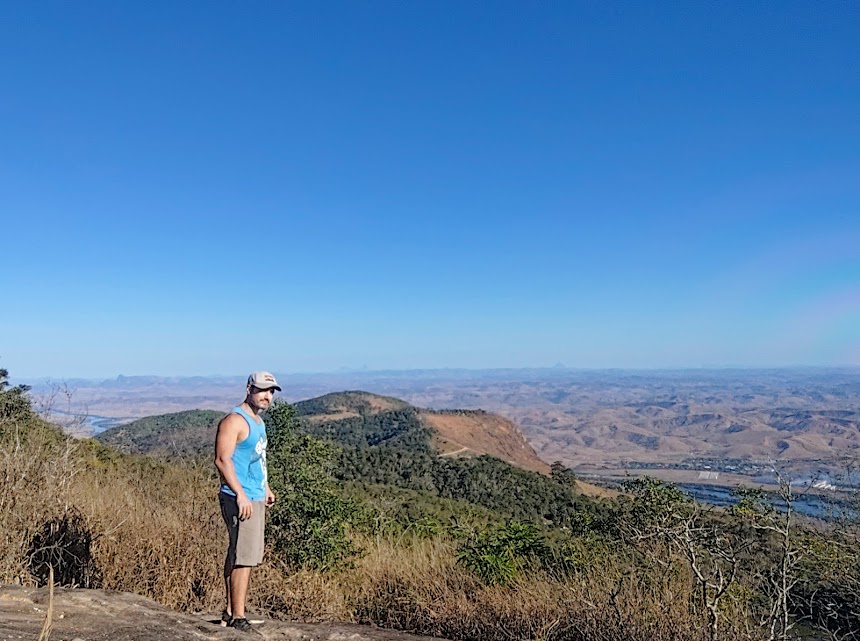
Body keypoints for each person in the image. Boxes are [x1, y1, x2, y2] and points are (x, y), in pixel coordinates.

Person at [214, 371, 280, 633]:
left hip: (253, 494)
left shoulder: (257, 421)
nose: (267, 396)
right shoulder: (234, 420)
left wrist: (265, 486)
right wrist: (241, 494)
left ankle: (231, 612)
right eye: (263, 390)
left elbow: (255, 459)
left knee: (237, 552)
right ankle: (239, 618)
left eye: (271, 391)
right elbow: (222, 460)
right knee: (245, 557)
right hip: (241, 498)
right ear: (249, 388)